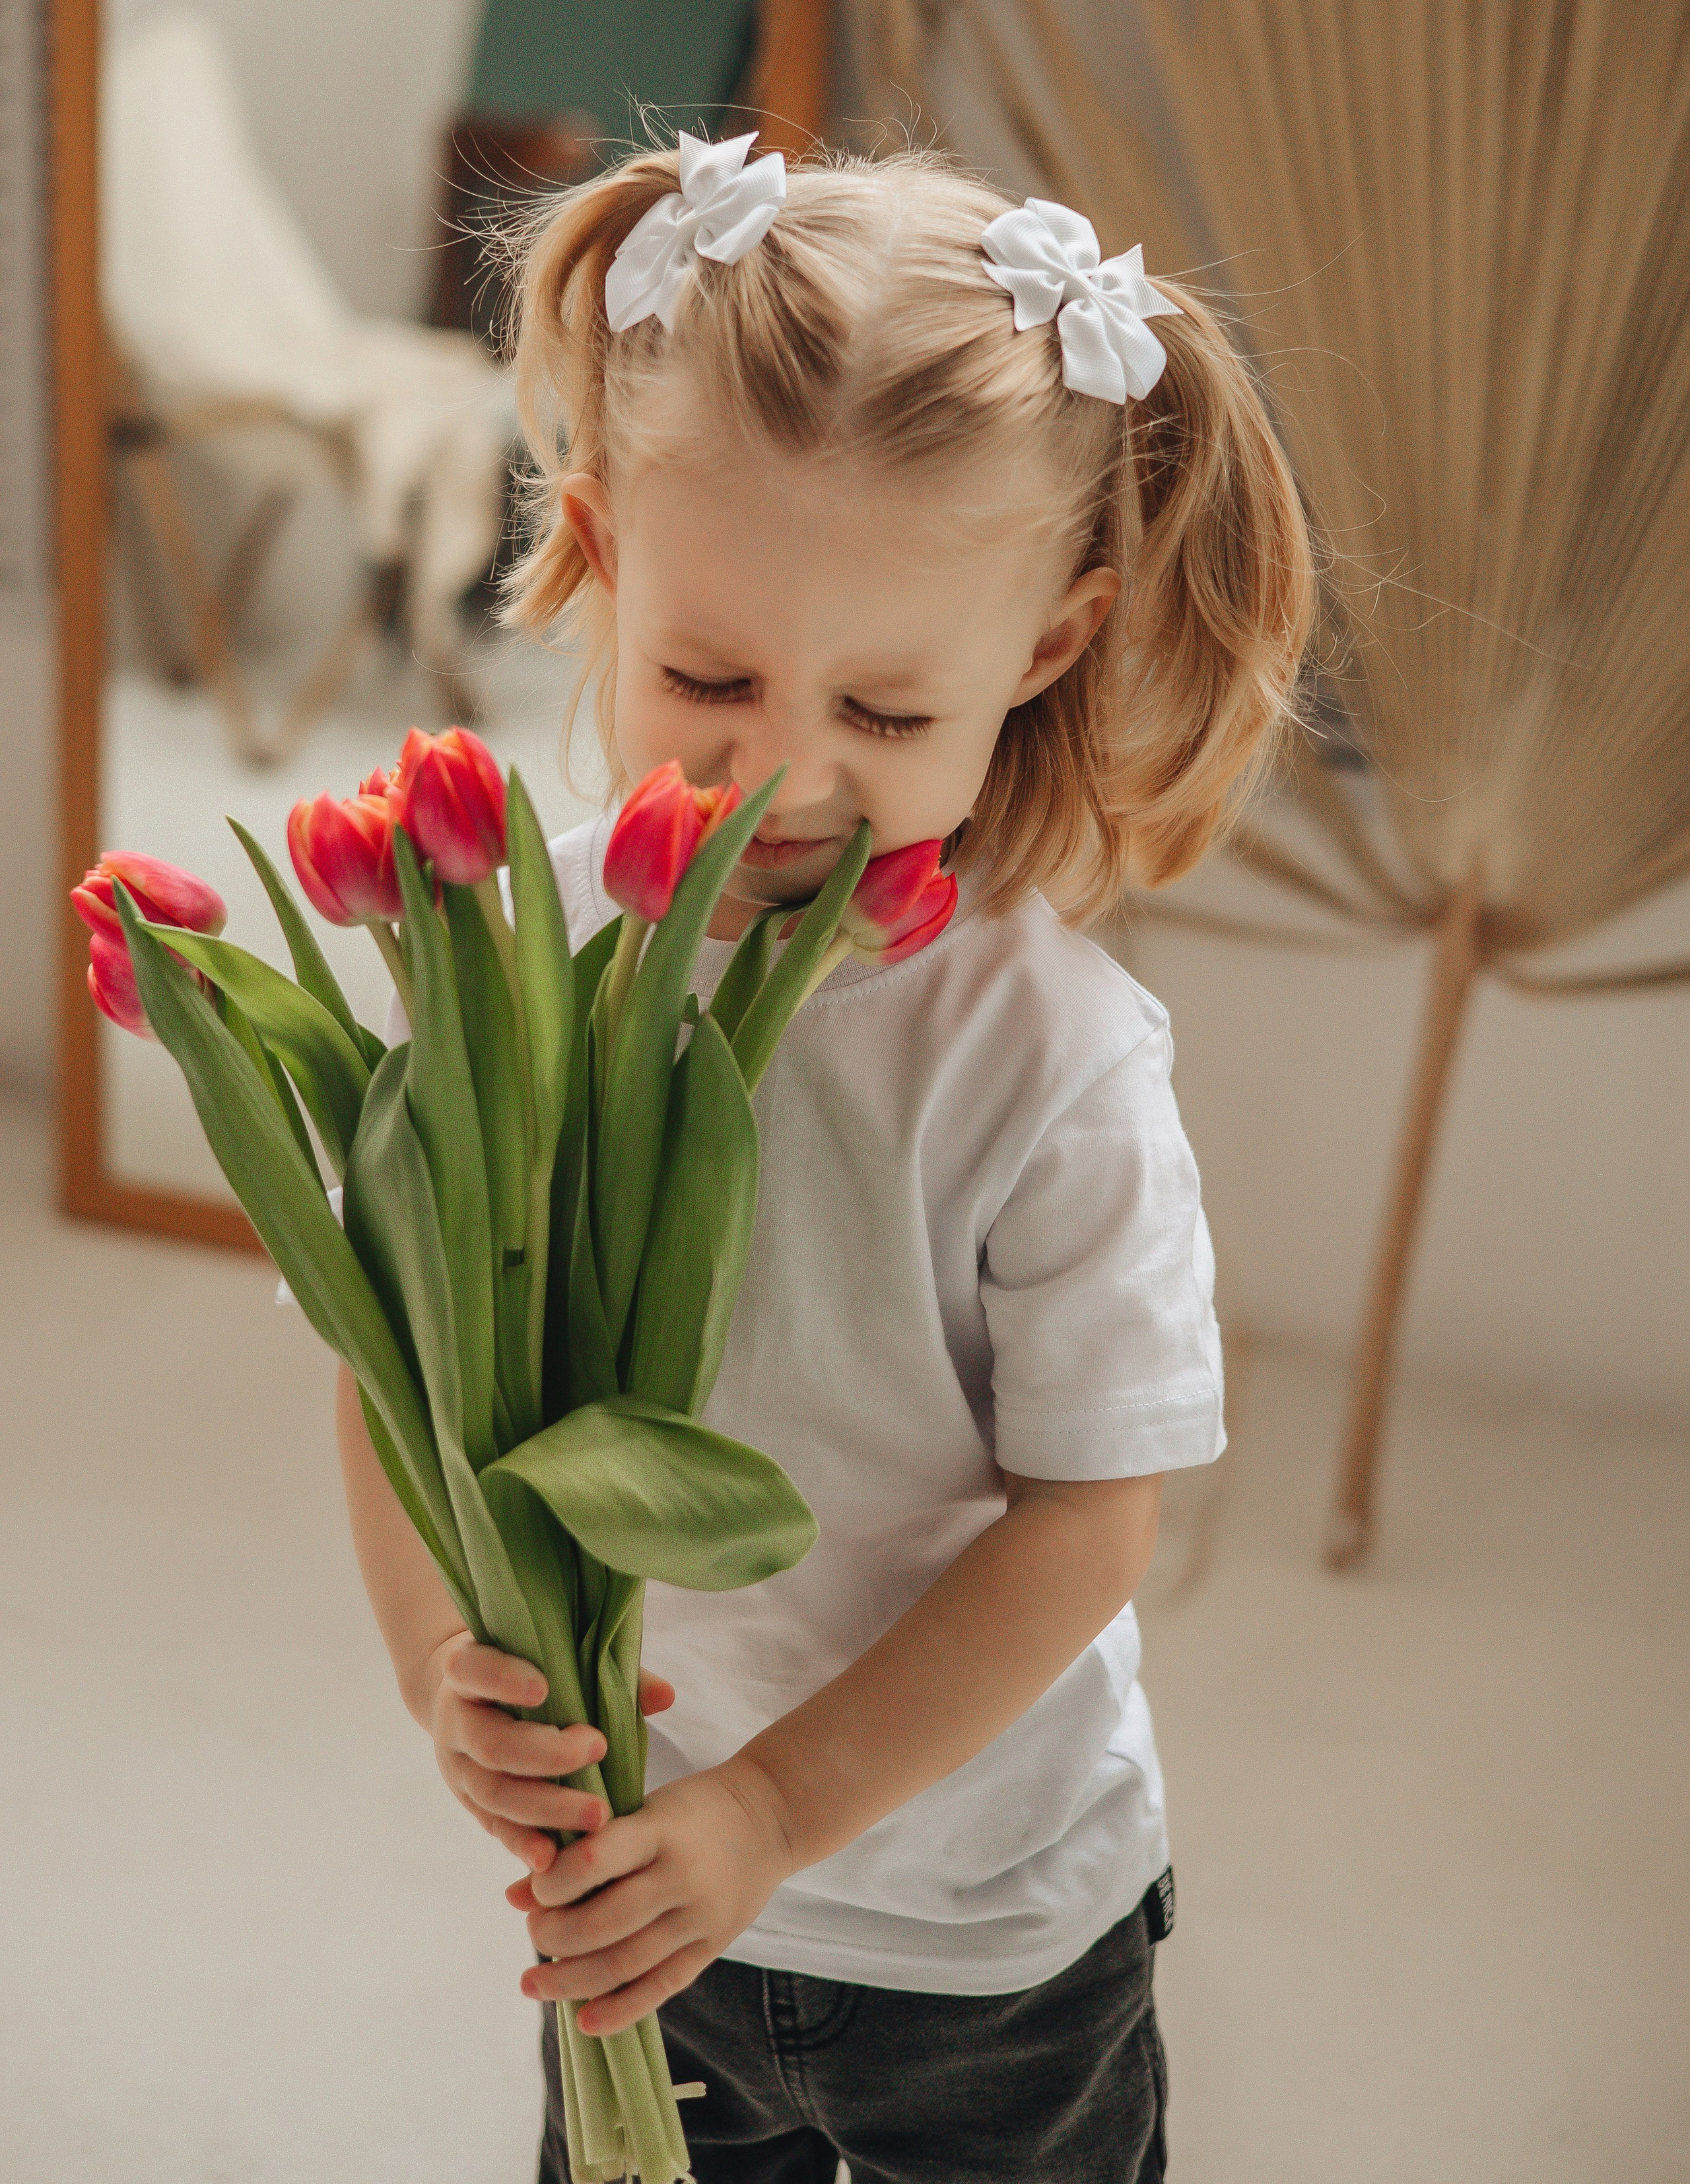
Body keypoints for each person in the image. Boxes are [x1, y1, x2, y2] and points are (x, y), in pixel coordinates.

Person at [334, 132, 1314, 2183]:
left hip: (986, 1932)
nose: (782, 769)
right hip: (640, 1897)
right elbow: (396, 1368)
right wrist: (443, 1664)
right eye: (710, 675)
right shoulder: (500, 955)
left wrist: (775, 1811)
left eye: (883, 706)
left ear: (1044, 649)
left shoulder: (1050, 1063)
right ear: (602, 552)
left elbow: (1087, 1523)